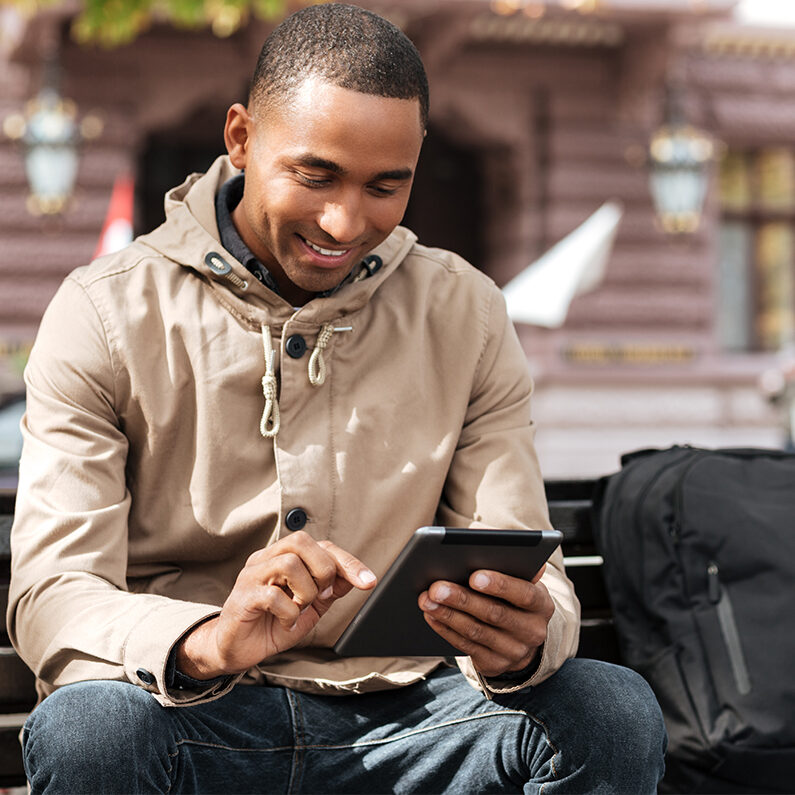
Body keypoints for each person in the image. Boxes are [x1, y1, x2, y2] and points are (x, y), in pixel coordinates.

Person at [9, 4, 666, 793]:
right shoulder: (104, 311)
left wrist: (528, 637)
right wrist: (209, 640)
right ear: (241, 138)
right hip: (190, 712)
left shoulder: (466, 311)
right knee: (89, 729)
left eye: (386, 186)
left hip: (415, 718)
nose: (345, 220)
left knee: (608, 707)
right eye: (314, 175)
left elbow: (523, 554)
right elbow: (52, 591)